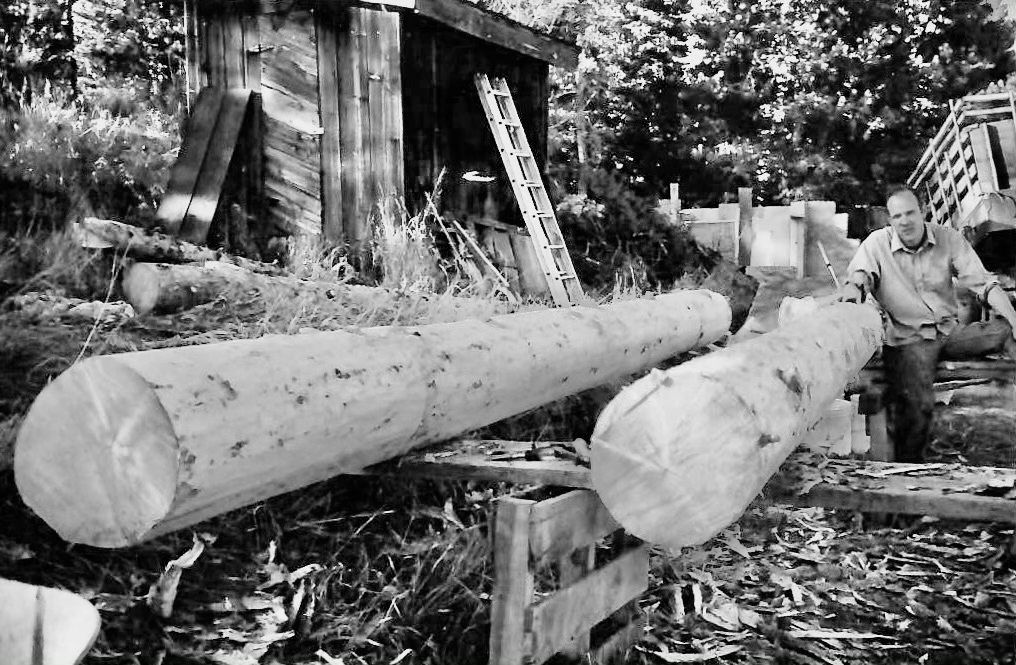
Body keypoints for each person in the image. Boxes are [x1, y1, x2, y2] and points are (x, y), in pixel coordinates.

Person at [839, 188, 1016, 462]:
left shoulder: (948, 238)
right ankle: (908, 471)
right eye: (897, 216)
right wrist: (853, 292)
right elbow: (860, 277)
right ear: (890, 220)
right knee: (917, 405)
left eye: (910, 213)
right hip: (909, 341)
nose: (904, 221)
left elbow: (985, 283)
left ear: (923, 212)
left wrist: (1015, 320)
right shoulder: (877, 243)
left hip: (948, 334)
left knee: (1004, 329)